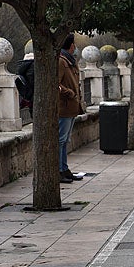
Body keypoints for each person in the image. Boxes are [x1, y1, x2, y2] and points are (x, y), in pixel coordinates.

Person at [57, 34, 84, 183]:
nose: (75, 47)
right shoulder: (61, 61)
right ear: (71, 45)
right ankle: (60, 170)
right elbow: (56, 84)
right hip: (65, 107)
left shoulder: (70, 61)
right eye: (74, 44)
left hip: (72, 106)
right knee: (61, 140)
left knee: (65, 140)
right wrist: (70, 93)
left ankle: (65, 169)